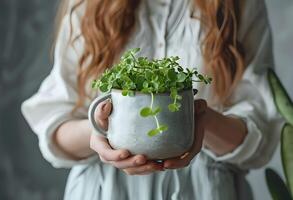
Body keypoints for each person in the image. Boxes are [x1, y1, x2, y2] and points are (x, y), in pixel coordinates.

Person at [21, 0, 284, 199]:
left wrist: (197, 121)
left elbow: (259, 137)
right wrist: (101, 130)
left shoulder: (236, 4)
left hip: (204, 190)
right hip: (102, 190)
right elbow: (53, 127)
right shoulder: (89, 5)